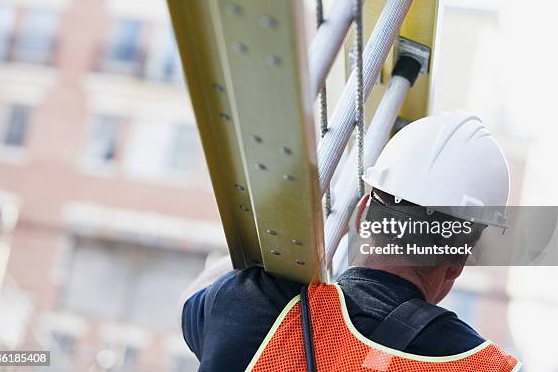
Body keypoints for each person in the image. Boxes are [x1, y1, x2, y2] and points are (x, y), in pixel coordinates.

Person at [180, 111, 521, 371]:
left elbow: (189, 299)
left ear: (359, 215)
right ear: (456, 265)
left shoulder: (255, 301)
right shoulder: (481, 366)